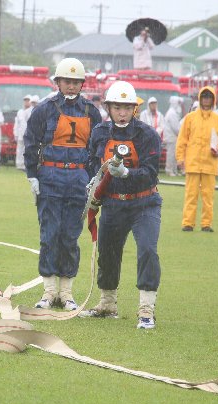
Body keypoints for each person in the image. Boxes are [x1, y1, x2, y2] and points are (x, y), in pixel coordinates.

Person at [79, 81, 162, 329]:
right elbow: (91, 163)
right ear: (108, 108)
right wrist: (94, 181)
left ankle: (146, 308)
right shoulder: (99, 133)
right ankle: (107, 303)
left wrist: (126, 173)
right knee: (108, 252)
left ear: (134, 108)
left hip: (144, 203)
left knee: (147, 250)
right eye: (117, 107)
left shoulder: (147, 134)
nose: (122, 113)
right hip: (114, 205)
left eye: (127, 108)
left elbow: (151, 173)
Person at [24, 57, 102, 310]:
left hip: (78, 180)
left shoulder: (92, 112)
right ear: (58, 82)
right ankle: (48, 292)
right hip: (50, 178)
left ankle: (66, 293)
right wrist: (32, 175)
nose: (71, 86)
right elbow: (30, 142)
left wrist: (93, 178)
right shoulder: (44, 109)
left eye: (76, 82)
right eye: (67, 81)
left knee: (70, 236)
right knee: (49, 235)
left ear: (82, 84)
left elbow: (97, 148)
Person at [176, 86, 218, 232]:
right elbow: (182, 140)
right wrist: (180, 158)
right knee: (191, 195)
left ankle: (206, 224)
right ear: (200, 98)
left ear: (213, 100)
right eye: (204, 96)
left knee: (208, 196)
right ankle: (188, 223)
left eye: (209, 97)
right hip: (193, 163)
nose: (206, 99)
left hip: (210, 163)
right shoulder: (190, 118)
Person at [163, 95, 182, 176]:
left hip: (173, 137)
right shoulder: (172, 113)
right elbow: (176, 127)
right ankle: (169, 170)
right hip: (171, 137)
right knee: (171, 155)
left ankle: (174, 170)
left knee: (174, 155)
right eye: (178, 103)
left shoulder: (172, 112)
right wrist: (181, 134)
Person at [13, 94, 32, 170]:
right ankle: (19, 165)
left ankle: (26, 165)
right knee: (19, 150)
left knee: (27, 150)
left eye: (28, 101)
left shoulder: (32, 111)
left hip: (29, 134)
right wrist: (15, 134)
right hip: (20, 134)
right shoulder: (20, 111)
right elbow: (17, 123)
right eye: (25, 101)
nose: (26, 102)